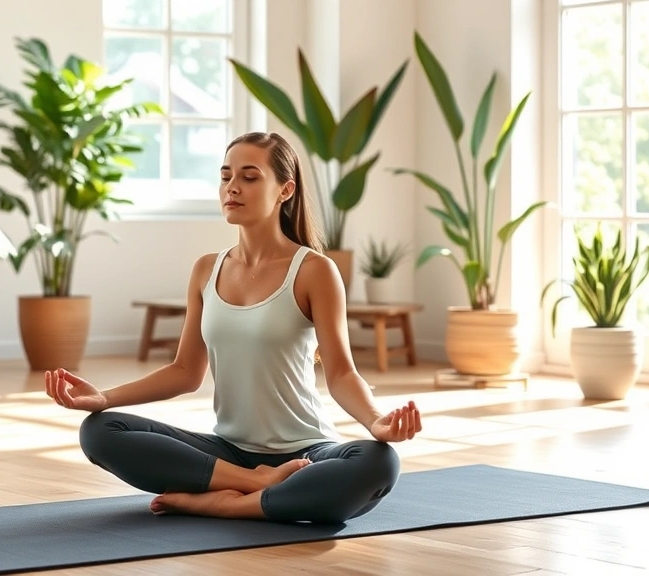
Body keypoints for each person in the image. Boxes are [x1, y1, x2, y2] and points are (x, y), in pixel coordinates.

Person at [44, 131, 422, 524]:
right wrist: (103, 398)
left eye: (249, 177)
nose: (232, 188)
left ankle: (225, 503)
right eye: (225, 177)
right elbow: (185, 373)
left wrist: (375, 421)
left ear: (285, 190)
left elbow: (342, 372)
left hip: (306, 452)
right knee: (100, 432)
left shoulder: (314, 271)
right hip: (228, 452)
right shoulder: (206, 269)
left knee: (378, 462)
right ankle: (255, 485)